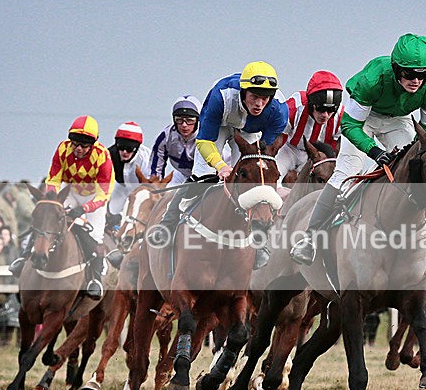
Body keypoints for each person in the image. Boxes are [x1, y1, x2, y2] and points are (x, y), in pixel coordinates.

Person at [290, 34, 426, 266]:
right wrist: (374, 151)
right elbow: (350, 125)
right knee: (347, 172)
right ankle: (309, 238)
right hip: (363, 120)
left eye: (423, 74)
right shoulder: (372, 81)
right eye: (409, 74)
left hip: (399, 120)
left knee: (417, 168)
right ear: (395, 69)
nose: (416, 81)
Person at [149, 62, 289, 268]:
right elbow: (204, 141)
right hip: (220, 126)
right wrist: (220, 165)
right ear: (244, 91)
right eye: (254, 97)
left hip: (249, 131)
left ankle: (259, 243)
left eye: (264, 98)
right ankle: (167, 225)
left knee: (256, 181)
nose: (259, 103)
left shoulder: (279, 111)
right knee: (201, 176)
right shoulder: (220, 97)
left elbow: (263, 152)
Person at [9, 115, 113, 300]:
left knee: (96, 236)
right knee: (48, 221)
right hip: (71, 191)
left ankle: (94, 279)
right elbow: (54, 178)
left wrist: (84, 209)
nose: (79, 149)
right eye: (75, 144)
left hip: (94, 197)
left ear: (93, 144)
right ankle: (24, 258)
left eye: (84, 145)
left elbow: (104, 194)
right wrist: (52, 200)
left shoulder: (103, 157)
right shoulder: (62, 149)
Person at [276, 71, 344, 185]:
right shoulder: (294, 107)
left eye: (330, 111)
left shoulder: (341, 117)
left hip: (316, 156)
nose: (325, 115)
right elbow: (277, 138)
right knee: (274, 176)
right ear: (311, 103)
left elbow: (334, 150)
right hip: (289, 149)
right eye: (321, 109)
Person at [150, 96, 202, 186]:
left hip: (206, 176)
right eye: (179, 120)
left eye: (190, 120)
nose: (184, 125)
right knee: (164, 197)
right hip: (181, 174)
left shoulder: (205, 135)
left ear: (198, 120)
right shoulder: (165, 136)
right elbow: (156, 168)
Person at [107, 121, 152, 218]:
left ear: (137, 148)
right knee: (111, 212)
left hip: (141, 190)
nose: (124, 152)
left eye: (129, 148)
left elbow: (148, 187)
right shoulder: (108, 155)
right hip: (121, 187)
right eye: (121, 147)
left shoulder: (146, 159)